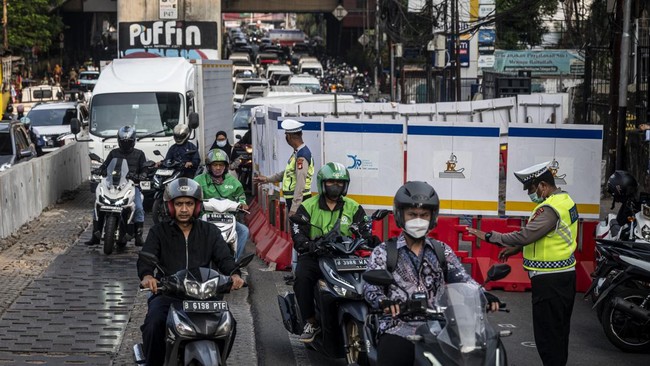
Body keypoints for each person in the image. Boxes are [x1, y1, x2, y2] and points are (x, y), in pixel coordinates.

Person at [364, 181, 500, 366]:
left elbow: (462, 279)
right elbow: (370, 286)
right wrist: (383, 301)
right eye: (412, 214)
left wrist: (482, 294)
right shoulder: (384, 251)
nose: (418, 219)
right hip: (398, 327)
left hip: (441, 327)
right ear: (400, 215)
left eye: (424, 215)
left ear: (432, 217)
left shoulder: (441, 250)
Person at [468, 161, 578, 366]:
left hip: (550, 282)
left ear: (543, 186)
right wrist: (517, 250)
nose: (530, 193)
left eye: (531, 188)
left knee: (548, 337)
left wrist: (490, 236)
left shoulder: (549, 209)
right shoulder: (565, 200)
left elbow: (525, 235)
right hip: (564, 275)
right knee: (559, 333)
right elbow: (548, 237)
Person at [137, 178, 245, 366]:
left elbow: (225, 258)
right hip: (168, 295)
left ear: (197, 206)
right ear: (170, 206)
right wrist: (148, 276)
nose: (184, 209)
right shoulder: (158, 232)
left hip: (205, 297)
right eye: (179, 204)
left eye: (189, 203)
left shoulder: (209, 231)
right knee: (154, 324)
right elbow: (146, 258)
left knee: (230, 324)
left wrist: (235, 275)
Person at [291, 162, 370, 342]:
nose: (336, 186)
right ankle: (310, 322)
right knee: (302, 277)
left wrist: (368, 239)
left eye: (340, 183)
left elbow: (365, 230)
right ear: (322, 183)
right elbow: (298, 232)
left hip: (346, 255)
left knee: (371, 279)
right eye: (331, 182)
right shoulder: (308, 206)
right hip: (315, 255)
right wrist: (308, 245)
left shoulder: (353, 207)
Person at [86, 126, 147, 246]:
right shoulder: (113, 153)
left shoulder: (139, 154)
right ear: (118, 140)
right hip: (113, 185)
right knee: (98, 205)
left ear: (133, 141)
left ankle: (138, 236)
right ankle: (95, 236)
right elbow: (105, 165)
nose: (125, 144)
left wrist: (143, 174)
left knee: (139, 208)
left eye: (128, 142)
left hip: (132, 185)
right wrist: (100, 170)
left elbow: (144, 168)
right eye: (123, 141)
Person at [194, 149, 249, 261]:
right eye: (215, 165)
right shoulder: (198, 180)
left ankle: (235, 262)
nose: (218, 168)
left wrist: (243, 204)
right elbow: (191, 197)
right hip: (204, 218)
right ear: (209, 166)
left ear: (226, 167)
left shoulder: (234, 182)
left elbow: (241, 197)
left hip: (227, 219)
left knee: (244, 231)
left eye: (221, 165)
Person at [253, 119, 314, 215]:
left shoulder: (302, 156)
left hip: (300, 202)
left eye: (286, 135)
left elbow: (300, 182)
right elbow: (287, 173)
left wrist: (295, 207)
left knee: (298, 229)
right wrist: (267, 179)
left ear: (289, 136)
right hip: (295, 200)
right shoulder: (297, 153)